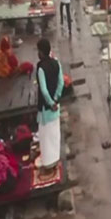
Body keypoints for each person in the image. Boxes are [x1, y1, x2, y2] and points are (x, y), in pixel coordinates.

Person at [36, 38, 64, 178]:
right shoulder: (57, 63)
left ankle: (47, 163)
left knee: (45, 137)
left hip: (46, 110)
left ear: (41, 52)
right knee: (54, 135)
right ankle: (55, 159)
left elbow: (43, 89)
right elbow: (61, 83)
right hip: (56, 108)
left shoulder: (41, 68)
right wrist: (56, 99)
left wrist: (49, 102)